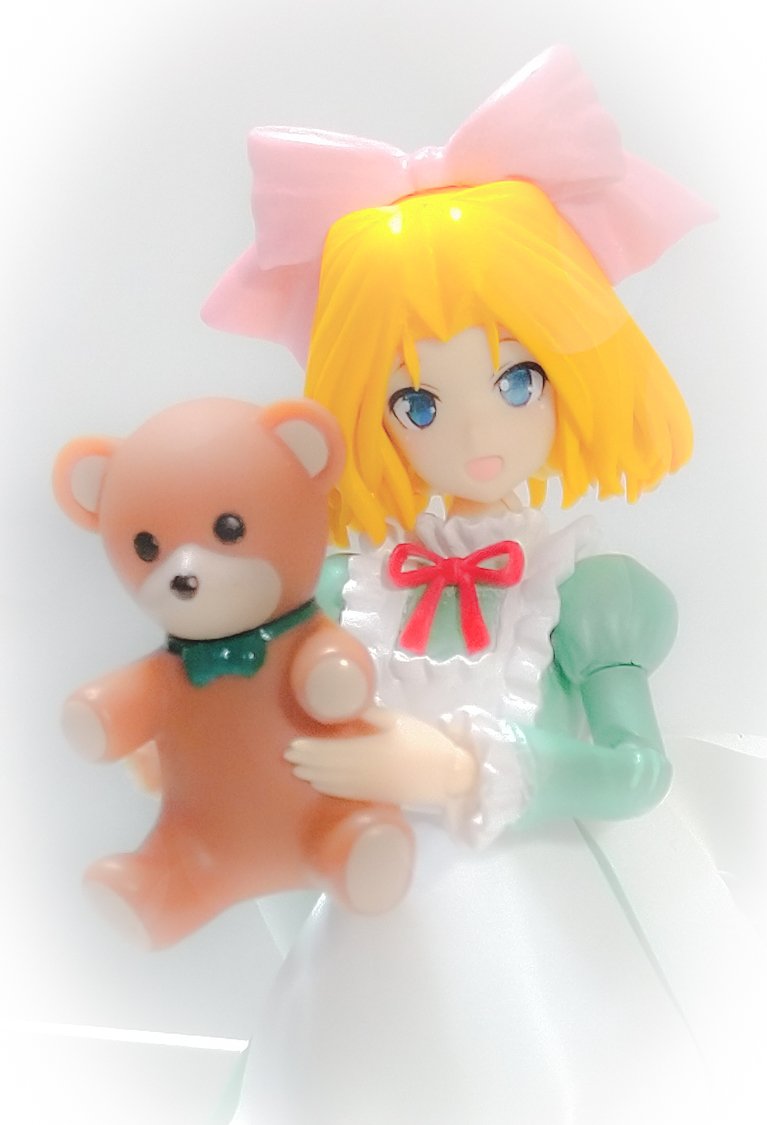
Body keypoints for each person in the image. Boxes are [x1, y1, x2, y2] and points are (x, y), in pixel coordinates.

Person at [204, 46, 767, 1125]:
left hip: (542, 922)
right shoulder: (339, 589)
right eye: (416, 404)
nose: (474, 432)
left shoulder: (587, 593)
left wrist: (463, 768)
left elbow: (634, 771)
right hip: (369, 925)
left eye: (516, 379)